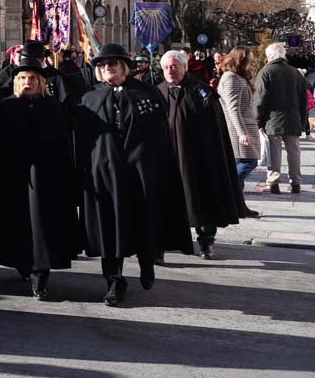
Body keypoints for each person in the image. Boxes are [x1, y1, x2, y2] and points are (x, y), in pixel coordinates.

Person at [73, 44, 193, 306]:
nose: (108, 68)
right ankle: (114, 280)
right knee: (109, 228)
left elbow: (158, 135)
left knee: (143, 220)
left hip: (141, 173)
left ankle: (146, 263)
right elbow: (83, 140)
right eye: (103, 65)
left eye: (114, 64)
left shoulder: (146, 94)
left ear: (124, 67)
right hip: (104, 175)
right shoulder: (89, 98)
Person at [0, 60, 78, 298]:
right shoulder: (6, 106)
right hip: (14, 175)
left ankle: (40, 274)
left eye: (32, 78)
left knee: (42, 225)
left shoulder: (52, 106)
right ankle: (22, 264)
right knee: (17, 222)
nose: (27, 82)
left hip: (44, 176)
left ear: (40, 82)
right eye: (22, 78)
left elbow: (61, 144)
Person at [158, 51, 241, 259]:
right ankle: (162, 244)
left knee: (201, 201)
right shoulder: (157, 92)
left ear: (185, 67)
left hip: (197, 159)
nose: (171, 70)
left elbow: (214, 129)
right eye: (167, 67)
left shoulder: (201, 92)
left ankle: (206, 242)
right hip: (166, 160)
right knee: (164, 203)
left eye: (175, 66)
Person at [253, 42, 308, 194]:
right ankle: (295, 182)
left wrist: (258, 121)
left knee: (274, 152)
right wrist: (302, 120)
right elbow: (304, 100)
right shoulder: (296, 73)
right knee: (294, 151)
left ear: (269, 56)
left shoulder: (266, 72)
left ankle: (273, 182)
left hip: (273, 119)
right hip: (293, 118)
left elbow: (260, 99)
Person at [216, 47, 263, 218]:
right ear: (240, 60)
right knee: (248, 162)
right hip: (237, 130)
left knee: (240, 163)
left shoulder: (238, 77)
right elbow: (233, 108)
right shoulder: (230, 78)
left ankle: (238, 205)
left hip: (245, 127)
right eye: (250, 60)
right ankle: (224, 193)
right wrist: (242, 132)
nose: (253, 63)